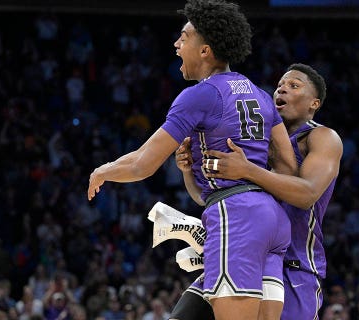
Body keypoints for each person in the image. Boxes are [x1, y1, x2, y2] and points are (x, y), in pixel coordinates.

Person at [87, 1, 297, 319]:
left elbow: (143, 163)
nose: (176, 45)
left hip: (236, 219)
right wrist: (196, 171)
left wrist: (103, 170)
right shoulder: (260, 94)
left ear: (205, 50)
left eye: (184, 38)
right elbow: (289, 168)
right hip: (272, 221)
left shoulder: (201, 94)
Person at [172, 63, 343, 320]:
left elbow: (307, 194)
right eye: (279, 86)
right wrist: (187, 171)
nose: (281, 90)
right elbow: (208, 198)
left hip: (293, 267)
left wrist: (248, 170)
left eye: (293, 86)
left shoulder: (321, 137)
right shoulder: (255, 140)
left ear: (314, 104)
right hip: (244, 253)